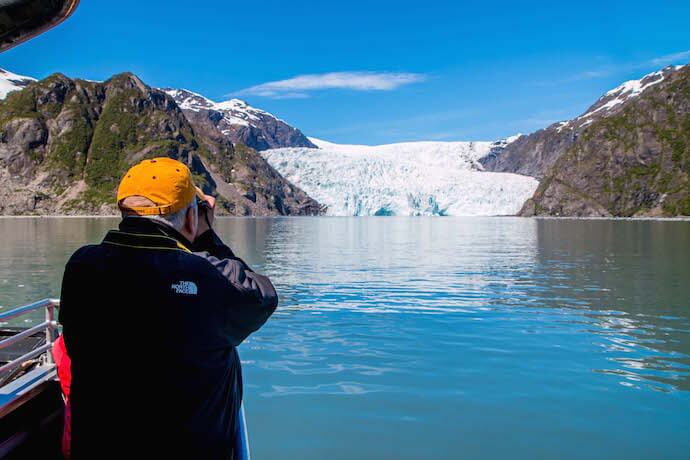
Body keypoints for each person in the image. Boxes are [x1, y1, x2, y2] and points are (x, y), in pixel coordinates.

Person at [56, 157, 278, 459]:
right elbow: (262, 296)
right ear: (190, 219)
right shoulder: (206, 276)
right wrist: (207, 237)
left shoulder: (83, 265)